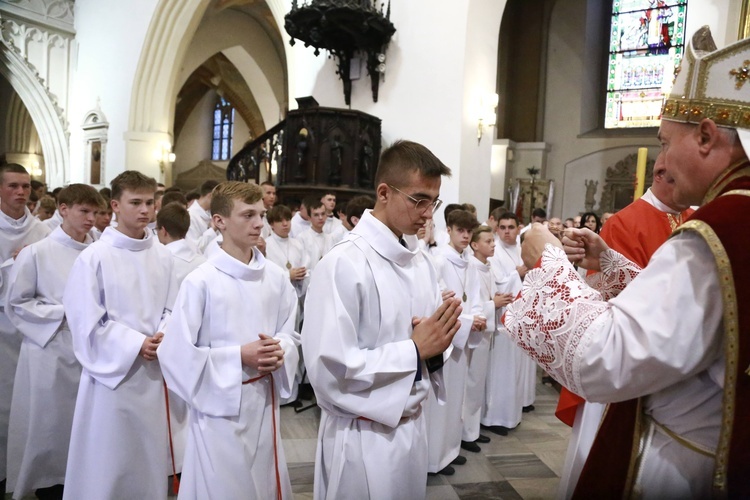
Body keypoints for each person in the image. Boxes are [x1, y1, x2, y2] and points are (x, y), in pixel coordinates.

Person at [503, 27, 750, 498]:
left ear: (704, 135)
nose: (663, 157)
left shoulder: (717, 231)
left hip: (683, 468)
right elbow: (701, 323)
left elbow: (607, 358)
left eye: (664, 140)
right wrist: (613, 266)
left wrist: (547, 263)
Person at [302, 140, 462, 499]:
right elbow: (330, 369)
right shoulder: (343, 264)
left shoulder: (418, 261)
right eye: (419, 199)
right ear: (385, 192)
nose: (427, 213)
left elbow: (430, 347)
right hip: (361, 438)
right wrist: (414, 349)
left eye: (433, 202)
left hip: (411, 430)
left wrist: (438, 342)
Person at [554, 150, 695, 499]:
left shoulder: (694, 218)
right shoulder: (624, 222)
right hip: (627, 357)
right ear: (661, 173)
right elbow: (604, 298)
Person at [158, 181, 300, 499]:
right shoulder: (200, 282)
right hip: (218, 410)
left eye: (261, 214)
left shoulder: (276, 278)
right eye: (248, 215)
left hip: (264, 401)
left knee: (263, 483)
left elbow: (290, 333)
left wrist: (281, 350)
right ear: (219, 221)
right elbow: (176, 353)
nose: (259, 223)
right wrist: (238, 355)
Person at [62, 171, 177, 499]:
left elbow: (173, 307)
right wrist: (136, 342)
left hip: (153, 374)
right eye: (135, 202)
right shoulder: (94, 257)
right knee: (109, 457)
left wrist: (163, 334)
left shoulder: (163, 256)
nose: (145, 210)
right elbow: (86, 320)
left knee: (147, 456)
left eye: (150, 202)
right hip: (112, 375)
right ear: (115, 205)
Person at [5, 184, 102, 500]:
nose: (91, 219)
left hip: (93, 352)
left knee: (85, 428)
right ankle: (50, 484)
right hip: (50, 349)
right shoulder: (38, 252)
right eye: (83, 211)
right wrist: (66, 313)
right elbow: (17, 303)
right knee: (50, 428)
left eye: (95, 212)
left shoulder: (100, 251)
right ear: (63, 209)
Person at [0, 163, 50, 497]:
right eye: (13, 186)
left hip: (32, 332)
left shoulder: (43, 232)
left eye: (26, 186)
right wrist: (13, 263)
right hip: (0, 328)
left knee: (28, 405)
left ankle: (23, 471)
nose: (21, 192)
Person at [425, 209, 484, 475]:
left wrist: (478, 317)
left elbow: (475, 297)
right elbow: (434, 302)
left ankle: (450, 449)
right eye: (460, 230)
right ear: (448, 229)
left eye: (469, 231)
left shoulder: (470, 262)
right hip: (446, 339)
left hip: (464, 333)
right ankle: (434, 458)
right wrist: (471, 320)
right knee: (441, 400)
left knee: (457, 395)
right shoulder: (438, 260)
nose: (465, 236)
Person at [481, 212, 530, 435]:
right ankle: (496, 418)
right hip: (502, 317)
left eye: (511, 227)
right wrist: (516, 273)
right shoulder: (494, 251)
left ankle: (512, 414)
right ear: (497, 229)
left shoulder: (521, 249)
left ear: (518, 228)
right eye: (503, 227)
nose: (507, 231)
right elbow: (499, 284)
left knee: (516, 370)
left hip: (520, 316)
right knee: (500, 372)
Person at [296, 199, 333, 271]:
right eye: (316, 215)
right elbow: (302, 265)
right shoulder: (302, 238)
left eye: (323, 214)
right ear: (309, 218)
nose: (320, 218)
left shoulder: (330, 238)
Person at [186, 180, 219, 244]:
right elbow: (195, 246)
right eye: (218, 199)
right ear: (210, 196)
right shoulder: (190, 216)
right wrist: (212, 230)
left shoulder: (211, 213)